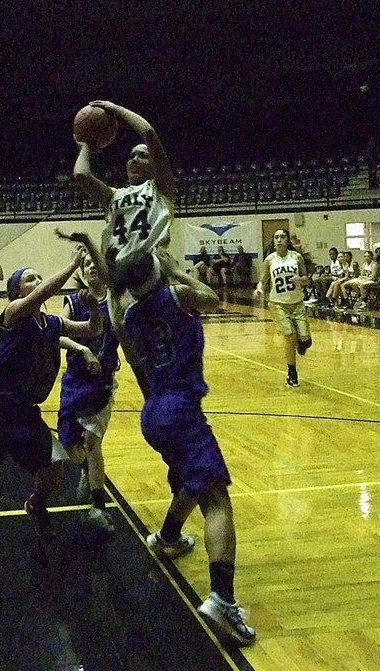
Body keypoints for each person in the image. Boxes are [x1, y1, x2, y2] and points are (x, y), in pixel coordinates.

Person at [123, 259, 256, 648]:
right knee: (217, 501)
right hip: (182, 408)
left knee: (191, 480)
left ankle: (167, 536)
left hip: (153, 412)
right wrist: (176, 271)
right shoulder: (177, 296)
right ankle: (223, 600)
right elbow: (214, 299)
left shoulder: (130, 317)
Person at [0, 246, 103, 557]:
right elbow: (42, 294)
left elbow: (93, 330)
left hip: (25, 410)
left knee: (55, 465)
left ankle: (36, 504)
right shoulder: (13, 313)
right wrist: (71, 266)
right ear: (17, 290)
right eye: (30, 278)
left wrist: (94, 308)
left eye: (39, 276)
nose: (38, 280)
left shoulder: (52, 324)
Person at [71, 100, 175, 396]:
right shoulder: (114, 196)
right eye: (131, 156)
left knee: (162, 361)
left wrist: (115, 110)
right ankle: (157, 412)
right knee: (140, 368)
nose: (134, 160)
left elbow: (150, 134)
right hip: (119, 288)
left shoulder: (161, 189)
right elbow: (80, 175)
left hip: (150, 280)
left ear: (154, 165)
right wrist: (87, 143)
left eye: (141, 157)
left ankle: (173, 412)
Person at [57, 251, 120, 534]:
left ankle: (99, 506)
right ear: (80, 271)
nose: (92, 267)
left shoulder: (116, 301)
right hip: (74, 381)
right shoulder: (73, 301)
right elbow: (57, 334)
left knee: (92, 442)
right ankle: (85, 469)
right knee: (71, 446)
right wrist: (82, 349)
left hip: (101, 383)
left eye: (96, 264)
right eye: (86, 264)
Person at [253, 229, 311, 387]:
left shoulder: (296, 257)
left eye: (282, 237)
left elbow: (306, 279)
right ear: (273, 241)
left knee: (305, 340)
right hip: (278, 303)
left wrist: (300, 279)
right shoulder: (269, 260)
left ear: (287, 240)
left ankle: (303, 341)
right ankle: (292, 372)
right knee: (290, 336)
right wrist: (259, 289)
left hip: (297, 302)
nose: (279, 240)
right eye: (276, 237)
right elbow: (263, 280)